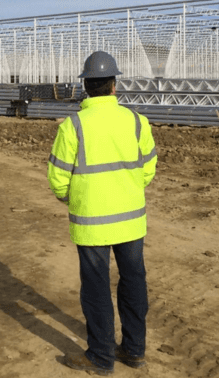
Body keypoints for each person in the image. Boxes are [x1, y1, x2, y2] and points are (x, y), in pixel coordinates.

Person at [48, 51, 157, 375]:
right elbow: (148, 169)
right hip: (131, 222)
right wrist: (126, 191)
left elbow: (57, 179)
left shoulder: (73, 127)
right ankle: (134, 350)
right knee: (133, 282)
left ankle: (100, 355)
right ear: (114, 85)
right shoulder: (136, 121)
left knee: (96, 290)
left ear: (86, 86)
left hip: (91, 224)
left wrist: (77, 199)